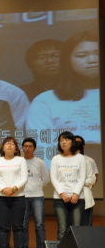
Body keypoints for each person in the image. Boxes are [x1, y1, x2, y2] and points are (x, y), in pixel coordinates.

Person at [26, 31, 100, 167]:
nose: (93, 60)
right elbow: (42, 149)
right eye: (82, 55)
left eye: (98, 53)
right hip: (64, 172)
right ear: (67, 61)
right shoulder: (45, 100)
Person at [0, 137, 28, 248]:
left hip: (18, 197)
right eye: (7, 143)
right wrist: (3, 189)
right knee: (3, 227)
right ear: (3, 147)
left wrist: (14, 188)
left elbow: (24, 178)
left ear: (16, 148)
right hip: (1, 197)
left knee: (18, 226)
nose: (10, 145)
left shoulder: (21, 160)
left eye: (12, 144)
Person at [50, 131, 87, 240]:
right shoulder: (56, 159)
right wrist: (62, 193)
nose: (63, 142)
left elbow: (82, 177)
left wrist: (76, 194)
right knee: (62, 229)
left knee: (76, 228)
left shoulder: (80, 158)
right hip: (60, 198)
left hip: (78, 198)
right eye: (61, 140)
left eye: (66, 140)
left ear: (72, 142)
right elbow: (53, 178)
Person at [21, 138, 50, 248]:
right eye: (25, 146)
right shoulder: (19, 161)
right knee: (23, 224)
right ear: (22, 148)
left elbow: (46, 178)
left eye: (30, 146)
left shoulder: (40, 162)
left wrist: (38, 187)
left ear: (34, 148)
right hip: (22, 196)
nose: (27, 148)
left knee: (39, 224)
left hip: (37, 195)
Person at [75, 135, 99, 226]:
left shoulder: (88, 161)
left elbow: (94, 178)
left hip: (85, 197)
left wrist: (82, 186)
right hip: (70, 198)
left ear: (82, 147)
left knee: (86, 226)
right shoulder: (65, 161)